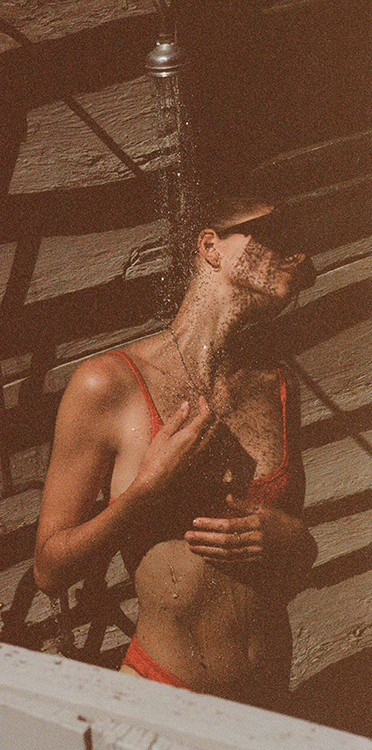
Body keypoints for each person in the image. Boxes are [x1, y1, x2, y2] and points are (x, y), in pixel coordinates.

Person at [33, 196, 318, 710]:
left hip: (271, 700)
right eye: (276, 234)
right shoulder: (109, 384)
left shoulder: (276, 386)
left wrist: (295, 540)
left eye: (304, 242)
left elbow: (292, 562)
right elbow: (49, 571)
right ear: (210, 247)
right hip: (167, 697)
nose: (300, 257)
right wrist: (144, 491)